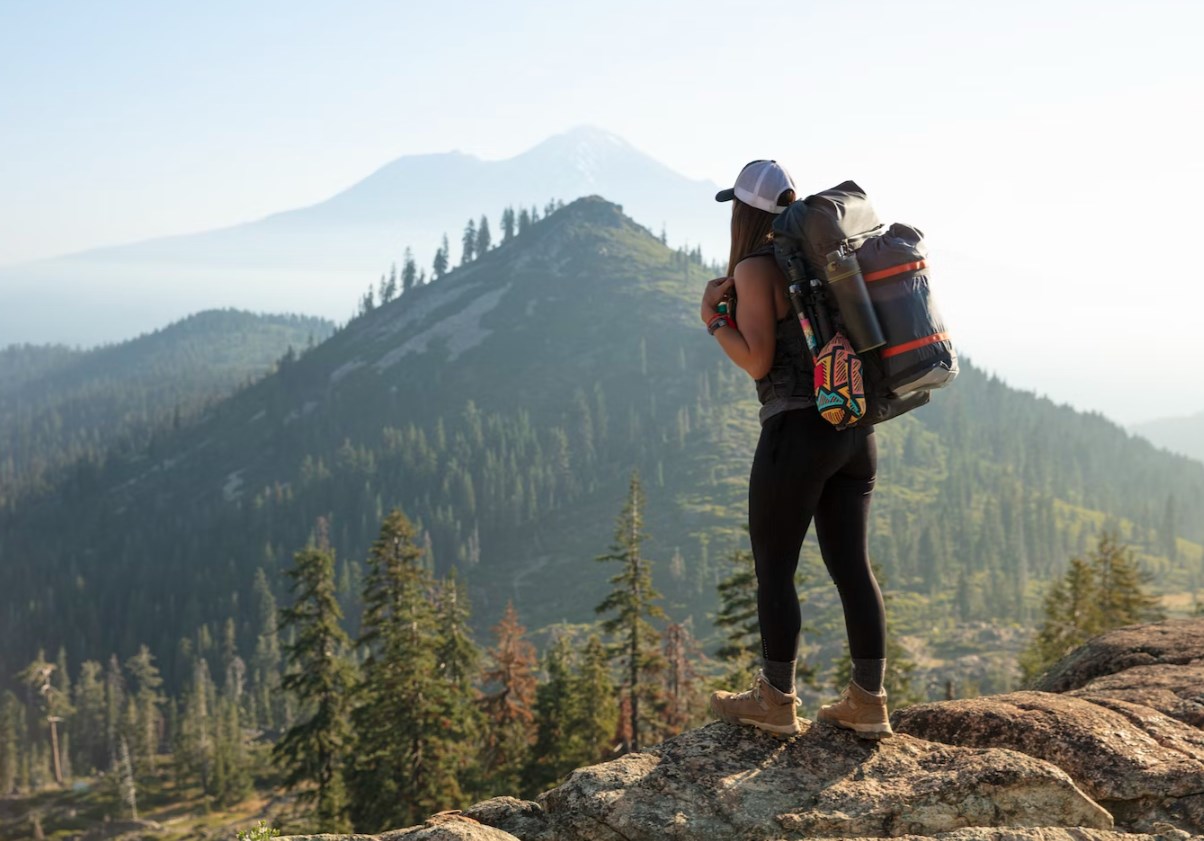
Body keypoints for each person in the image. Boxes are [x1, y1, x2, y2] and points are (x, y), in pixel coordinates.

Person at [703, 160, 893, 739]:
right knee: (851, 568)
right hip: (854, 427)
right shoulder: (827, 258)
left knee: (775, 568)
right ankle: (868, 701)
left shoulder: (757, 268)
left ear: (744, 210)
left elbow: (759, 360)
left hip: (797, 431)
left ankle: (776, 700)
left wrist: (713, 320)